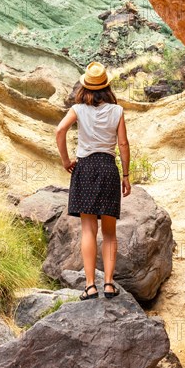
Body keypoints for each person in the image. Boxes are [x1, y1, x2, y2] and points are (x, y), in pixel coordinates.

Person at [55, 61, 131, 301]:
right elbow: (123, 144)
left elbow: (59, 131)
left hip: (85, 167)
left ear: (85, 86)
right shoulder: (117, 111)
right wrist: (126, 175)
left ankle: (90, 286)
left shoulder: (78, 109)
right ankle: (108, 284)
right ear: (106, 86)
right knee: (109, 232)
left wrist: (66, 160)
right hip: (108, 168)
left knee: (88, 229)